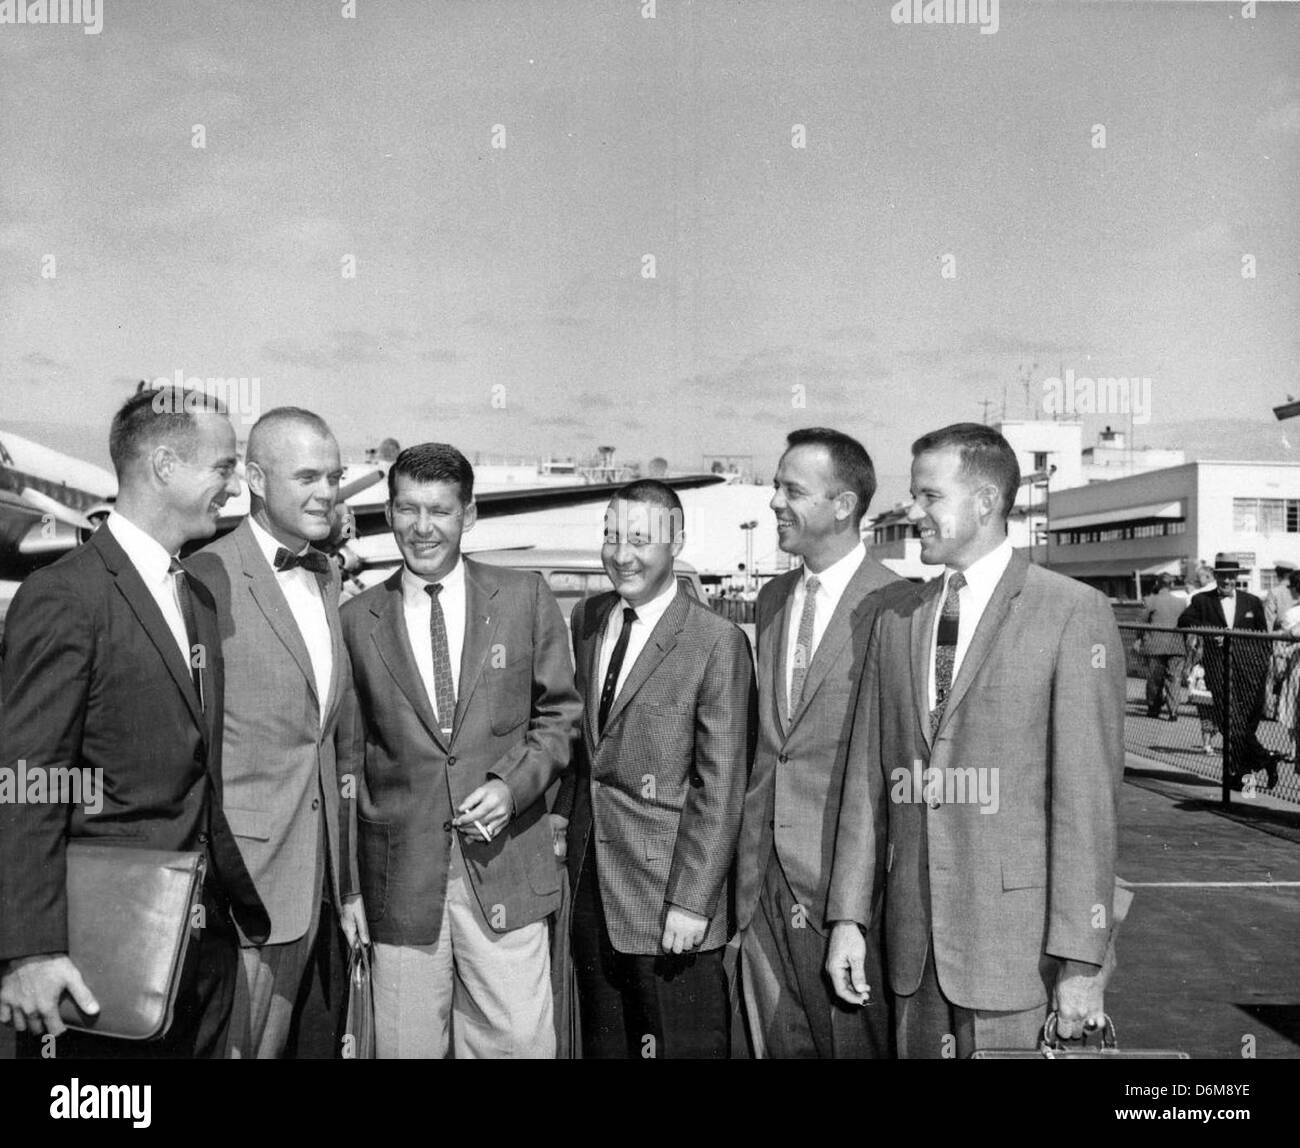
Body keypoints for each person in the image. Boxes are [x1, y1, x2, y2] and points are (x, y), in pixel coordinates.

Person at [825, 422, 1125, 1058]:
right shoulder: (896, 618)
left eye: (930, 496)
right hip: (912, 955)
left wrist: (1081, 966)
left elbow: (1086, 806)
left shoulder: (1071, 612)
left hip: (1018, 960)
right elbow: (866, 784)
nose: (914, 511)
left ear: (986, 501)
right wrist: (847, 919)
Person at [0, 386, 269, 1057]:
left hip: (200, 951)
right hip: (104, 956)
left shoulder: (197, 596)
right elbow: (27, 780)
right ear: (165, 466)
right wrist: (30, 951)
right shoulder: (64, 597)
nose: (232, 488)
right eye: (223, 467)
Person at [338, 443, 581, 1058]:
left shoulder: (524, 598)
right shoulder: (354, 619)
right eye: (407, 509)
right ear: (389, 513)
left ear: (468, 514)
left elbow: (559, 718)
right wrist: (348, 889)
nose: (423, 528)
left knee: (519, 1045)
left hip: (505, 871)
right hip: (400, 887)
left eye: (440, 511)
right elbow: (346, 759)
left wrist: (512, 786)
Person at [188, 408, 367, 1058]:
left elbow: (329, 739)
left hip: (321, 892)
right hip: (244, 895)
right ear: (256, 479)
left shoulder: (324, 576)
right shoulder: (203, 579)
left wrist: (346, 883)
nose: (329, 492)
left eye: (336, 476)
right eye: (309, 476)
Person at [556, 481, 755, 1058]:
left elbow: (720, 786)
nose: (622, 554)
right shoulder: (590, 617)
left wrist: (692, 901)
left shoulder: (718, 643)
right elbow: (587, 746)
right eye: (612, 536)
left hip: (672, 904)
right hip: (595, 895)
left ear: (678, 542)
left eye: (640, 539)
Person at [734, 427, 913, 1058]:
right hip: (762, 883)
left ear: (843, 505)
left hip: (844, 890)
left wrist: (853, 911)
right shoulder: (776, 596)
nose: (774, 502)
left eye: (790, 489)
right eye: (775, 486)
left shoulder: (900, 606)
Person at [1178, 554, 1275, 789]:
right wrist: (1212, 633)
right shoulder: (1202, 600)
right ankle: (1266, 759)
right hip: (1219, 671)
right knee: (1229, 723)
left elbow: (1264, 640)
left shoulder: (1252, 602)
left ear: (1236, 577)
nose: (1227, 581)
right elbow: (1184, 622)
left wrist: (1260, 666)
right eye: (1223, 576)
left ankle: (1244, 783)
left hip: (1249, 673)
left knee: (1244, 726)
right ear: (1216, 576)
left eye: (1231, 576)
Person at [1143, 574, 1187, 721]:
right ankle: (1173, 711)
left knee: (1154, 679)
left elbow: (1142, 622)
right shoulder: (1181, 603)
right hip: (1176, 645)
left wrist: (1140, 639)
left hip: (1155, 645)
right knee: (1174, 678)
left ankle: (1153, 708)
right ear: (1172, 585)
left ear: (1157, 583)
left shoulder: (1150, 600)